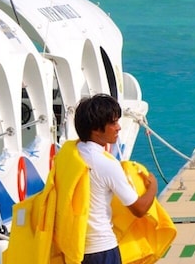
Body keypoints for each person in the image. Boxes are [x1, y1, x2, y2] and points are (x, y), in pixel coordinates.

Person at [74, 94, 158, 264]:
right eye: (113, 123)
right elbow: (139, 209)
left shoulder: (72, 154)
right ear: (96, 129)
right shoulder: (106, 164)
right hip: (103, 249)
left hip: (77, 248)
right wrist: (153, 186)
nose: (119, 127)